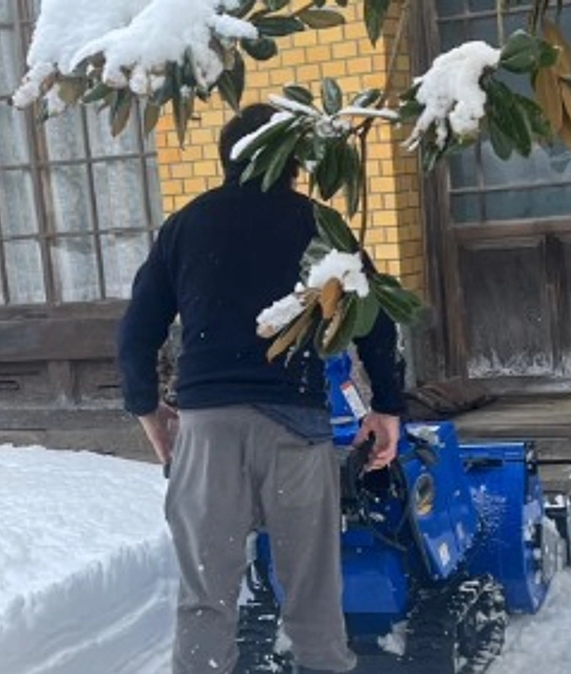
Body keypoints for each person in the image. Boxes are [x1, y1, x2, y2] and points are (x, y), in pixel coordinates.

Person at [118, 103, 406, 674]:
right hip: (295, 427)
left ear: (226, 160)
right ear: (294, 161)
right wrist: (388, 408)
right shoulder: (321, 226)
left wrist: (147, 409)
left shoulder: (185, 226)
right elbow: (374, 315)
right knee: (313, 600)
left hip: (207, 426)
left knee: (207, 597)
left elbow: (136, 329)